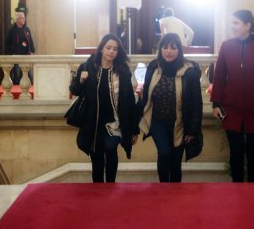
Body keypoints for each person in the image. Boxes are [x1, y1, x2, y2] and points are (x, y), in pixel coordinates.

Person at [211, 9, 254, 182]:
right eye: (232, 23)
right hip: (231, 109)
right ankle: (237, 191)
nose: (232, 26)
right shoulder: (226, 46)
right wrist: (216, 104)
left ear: (248, 25)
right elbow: (219, 77)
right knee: (235, 154)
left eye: (236, 23)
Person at [69, 33, 140, 183]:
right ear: (101, 49)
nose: (111, 51)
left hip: (114, 124)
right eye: (108, 47)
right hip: (93, 124)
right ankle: (98, 191)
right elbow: (74, 90)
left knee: (110, 148)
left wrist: (134, 129)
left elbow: (129, 102)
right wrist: (81, 80)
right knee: (97, 159)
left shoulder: (122, 71)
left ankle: (111, 186)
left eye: (115, 49)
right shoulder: (88, 67)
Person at [139, 33, 203, 182]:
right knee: (164, 153)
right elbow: (145, 97)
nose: (169, 51)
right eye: (165, 47)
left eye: (173, 48)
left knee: (175, 161)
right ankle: (163, 190)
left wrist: (192, 130)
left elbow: (196, 103)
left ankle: (175, 195)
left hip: (179, 123)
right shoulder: (154, 67)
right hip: (157, 121)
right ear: (160, 49)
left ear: (179, 50)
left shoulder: (190, 72)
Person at [5, 11, 35, 84]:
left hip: (26, 56)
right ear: (17, 20)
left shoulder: (27, 29)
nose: (24, 19)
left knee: (29, 75)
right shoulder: (11, 31)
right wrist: (10, 54)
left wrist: (32, 51)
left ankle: (31, 91)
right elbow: (7, 44)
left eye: (24, 18)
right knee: (17, 75)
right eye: (22, 18)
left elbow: (30, 41)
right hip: (16, 56)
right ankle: (16, 91)